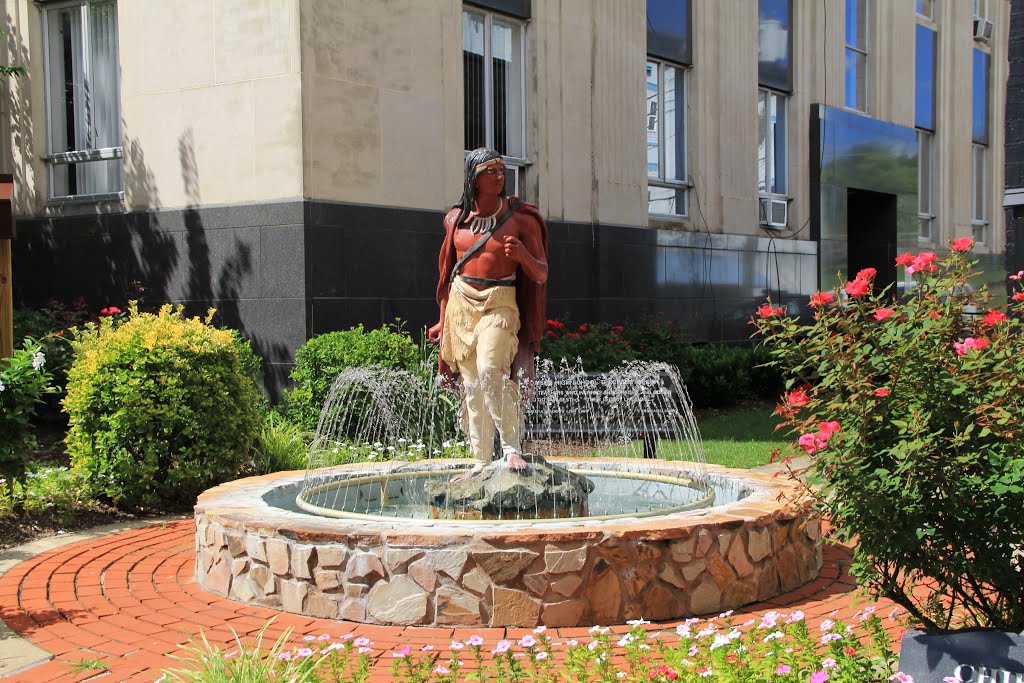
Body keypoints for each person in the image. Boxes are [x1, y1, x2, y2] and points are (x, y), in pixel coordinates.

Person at [428, 148, 549, 482]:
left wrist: (522, 255)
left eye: (501, 170)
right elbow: (446, 276)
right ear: (474, 178)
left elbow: (540, 274)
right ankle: (480, 459)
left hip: (500, 301)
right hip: (460, 304)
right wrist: (442, 319)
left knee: (489, 369)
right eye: (491, 171)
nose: (500, 176)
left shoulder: (522, 218)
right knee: (472, 387)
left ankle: (511, 447)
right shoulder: (456, 219)